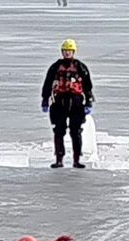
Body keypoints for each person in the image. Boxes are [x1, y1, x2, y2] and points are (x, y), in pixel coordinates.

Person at [41, 39, 94, 169]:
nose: (67, 53)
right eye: (65, 51)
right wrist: (45, 100)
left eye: (69, 51)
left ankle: (77, 160)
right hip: (59, 102)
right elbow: (48, 84)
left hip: (76, 102)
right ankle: (59, 159)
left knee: (76, 132)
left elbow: (87, 86)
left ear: (73, 52)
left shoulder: (80, 67)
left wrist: (89, 101)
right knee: (59, 131)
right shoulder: (55, 67)